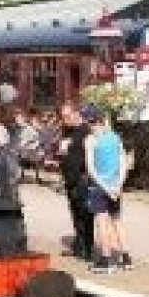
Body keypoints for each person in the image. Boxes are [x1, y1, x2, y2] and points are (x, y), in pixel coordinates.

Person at [82, 104, 130, 274]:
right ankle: (126, 258)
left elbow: (91, 169)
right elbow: (124, 162)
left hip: (100, 187)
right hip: (116, 186)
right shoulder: (114, 137)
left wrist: (106, 187)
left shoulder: (90, 140)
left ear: (88, 121)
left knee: (102, 223)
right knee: (117, 221)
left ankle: (106, 260)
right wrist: (119, 184)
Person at [58, 102, 93, 260]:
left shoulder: (85, 131)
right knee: (75, 214)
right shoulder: (66, 131)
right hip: (69, 179)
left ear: (76, 114)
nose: (64, 120)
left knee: (85, 214)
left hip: (82, 178)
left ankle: (88, 249)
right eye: (63, 117)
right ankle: (78, 246)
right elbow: (64, 152)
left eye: (67, 116)